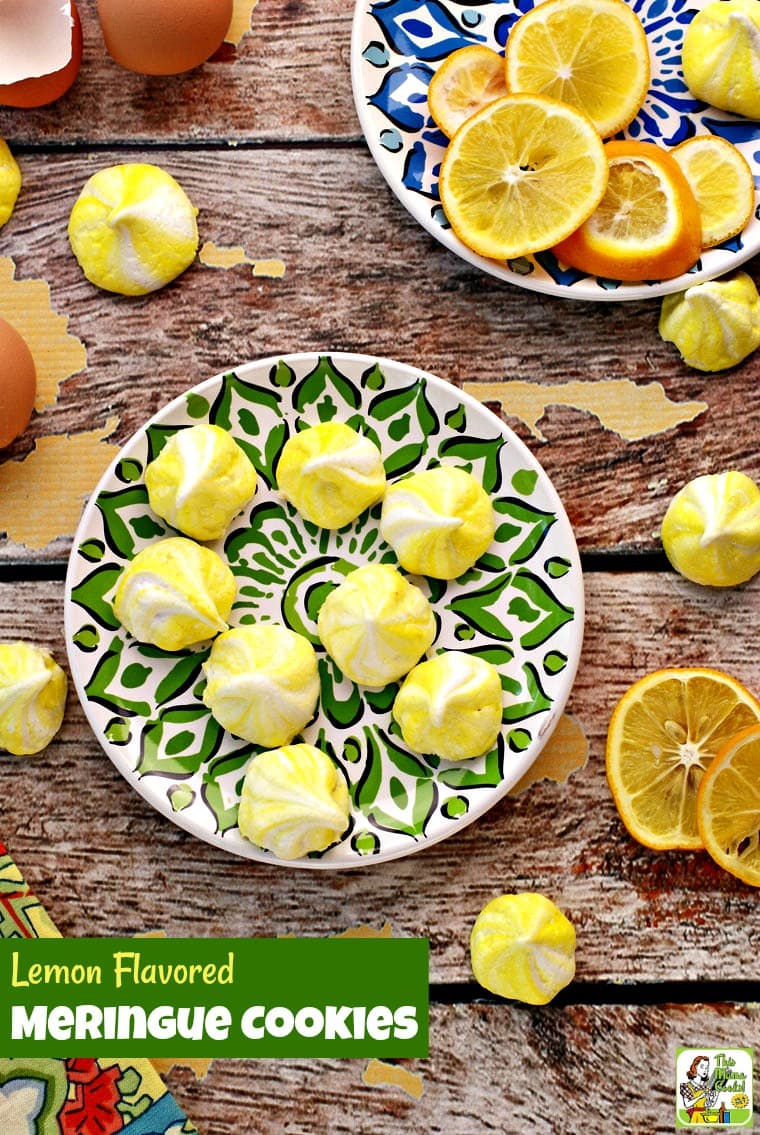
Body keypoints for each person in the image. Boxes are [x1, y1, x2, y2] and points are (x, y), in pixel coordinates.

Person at [680, 1055, 718, 1124]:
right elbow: (687, 1105)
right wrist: (700, 1096)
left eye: (707, 1068)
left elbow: (709, 1104)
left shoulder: (705, 1087)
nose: (705, 1070)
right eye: (702, 1067)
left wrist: (716, 1093)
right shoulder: (686, 1086)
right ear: (695, 1067)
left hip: (704, 1117)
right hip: (695, 1117)